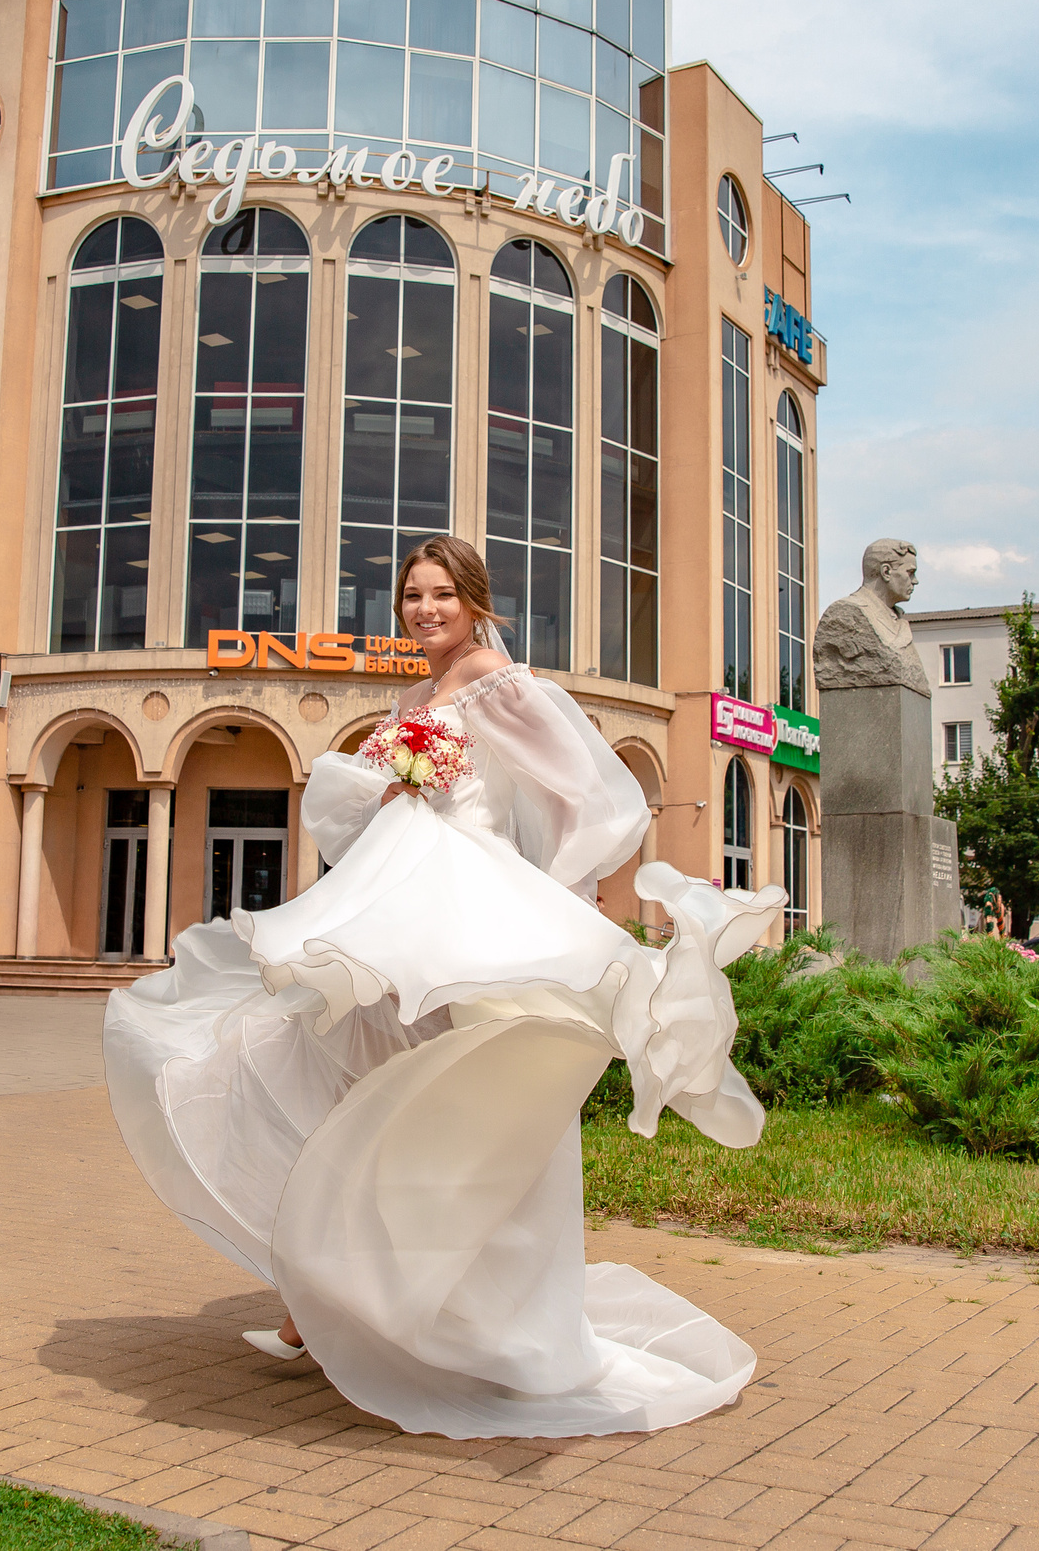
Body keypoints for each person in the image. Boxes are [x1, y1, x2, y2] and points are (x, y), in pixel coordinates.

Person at [104, 536, 783, 1439]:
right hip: (409, 910)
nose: (426, 610)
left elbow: (595, 800)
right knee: (340, 1070)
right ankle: (326, 1295)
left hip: (467, 920)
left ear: (473, 599)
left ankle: (453, 1319)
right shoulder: (414, 697)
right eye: (412, 596)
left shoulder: (499, 681)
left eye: (442, 595)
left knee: (446, 1106)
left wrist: (547, 889)